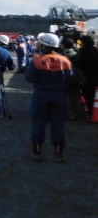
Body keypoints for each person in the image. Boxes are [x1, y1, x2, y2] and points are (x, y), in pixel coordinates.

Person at [25, 33, 73, 162]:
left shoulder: (37, 60)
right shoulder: (65, 61)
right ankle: (58, 153)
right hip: (59, 95)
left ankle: (37, 151)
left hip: (41, 94)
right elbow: (70, 79)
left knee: (38, 123)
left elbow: (29, 78)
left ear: (44, 45)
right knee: (58, 124)